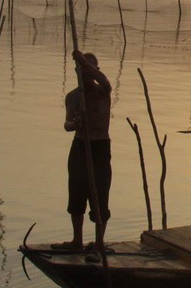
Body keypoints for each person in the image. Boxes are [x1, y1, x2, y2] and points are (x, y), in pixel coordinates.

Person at [52, 49, 112, 252]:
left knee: (100, 194)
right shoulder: (73, 97)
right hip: (79, 146)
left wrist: (85, 64)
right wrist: (75, 123)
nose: (86, 75)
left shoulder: (102, 92)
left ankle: (98, 244)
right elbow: (67, 124)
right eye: (82, 71)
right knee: (76, 194)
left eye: (90, 70)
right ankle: (77, 240)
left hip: (99, 147)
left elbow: (106, 83)